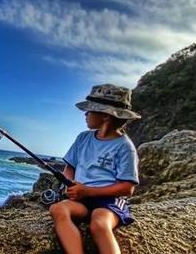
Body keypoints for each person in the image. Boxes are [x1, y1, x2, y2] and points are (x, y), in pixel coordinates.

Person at [49, 84, 141, 254]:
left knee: (99, 225)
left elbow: (127, 188)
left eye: (90, 111)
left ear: (106, 116)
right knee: (58, 209)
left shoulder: (125, 147)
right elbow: (70, 167)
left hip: (108, 201)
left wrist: (88, 191)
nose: (85, 114)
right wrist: (69, 183)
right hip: (82, 200)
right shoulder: (83, 138)